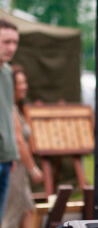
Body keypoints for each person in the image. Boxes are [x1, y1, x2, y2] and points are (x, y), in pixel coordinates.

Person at [2, 65, 44, 228]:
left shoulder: (15, 109)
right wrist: (33, 168)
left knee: (27, 211)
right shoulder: (10, 110)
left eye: (25, 82)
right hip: (14, 170)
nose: (24, 86)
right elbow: (19, 141)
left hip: (20, 171)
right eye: (20, 83)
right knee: (10, 217)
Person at [0, 19, 20, 222]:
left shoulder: (7, 72)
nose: (12, 47)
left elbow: (7, 112)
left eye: (15, 42)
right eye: (6, 42)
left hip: (6, 157)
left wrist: (11, 150)